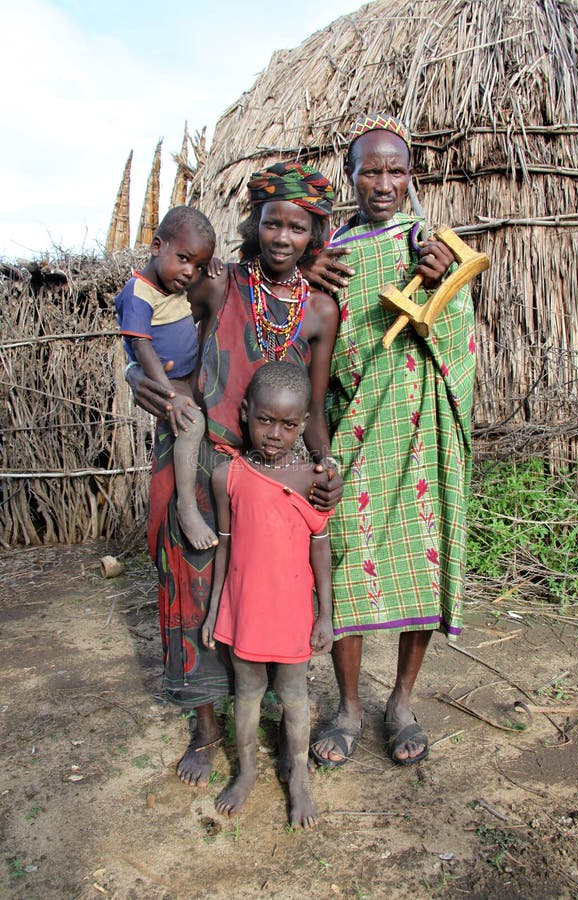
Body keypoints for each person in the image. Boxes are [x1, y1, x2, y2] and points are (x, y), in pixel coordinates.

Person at [127, 163, 342, 787]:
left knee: (269, 585)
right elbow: (154, 321)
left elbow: (319, 407)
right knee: (192, 588)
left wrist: (324, 468)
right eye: (271, 222)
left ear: (313, 235)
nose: (281, 237)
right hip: (202, 458)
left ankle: (276, 709)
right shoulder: (220, 286)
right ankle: (206, 728)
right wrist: (139, 380)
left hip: (277, 471)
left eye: (297, 228)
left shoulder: (321, 311)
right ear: (254, 225)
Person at [305, 113, 477, 768]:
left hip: (420, 428)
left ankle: (401, 701)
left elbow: (460, 342)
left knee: (421, 563)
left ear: (412, 176)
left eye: (394, 170)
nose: (382, 182)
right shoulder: (332, 256)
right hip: (353, 433)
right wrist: (307, 279)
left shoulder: (430, 248)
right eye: (369, 170)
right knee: (347, 566)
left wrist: (442, 287)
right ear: (350, 177)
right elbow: (308, 339)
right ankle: (349, 706)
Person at [202, 362, 333, 828]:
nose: (274, 433)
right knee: (248, 694)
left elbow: (321, 551)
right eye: (264, 420)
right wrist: (217, 607)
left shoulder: (312, 480)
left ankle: (298, 779)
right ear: (245, 412)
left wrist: (325, 615)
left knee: (295, 697)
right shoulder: (227, 476)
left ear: (302, 425)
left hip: (293, 610)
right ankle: (247, 774)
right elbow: (225, 544)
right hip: (245, 609)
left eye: (289, 424)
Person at [115, 206, 218, 550]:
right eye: (185, 259)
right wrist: (168, 396)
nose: (190, 272)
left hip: (190, 375)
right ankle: (187, 507)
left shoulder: (174, 285)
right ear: (157, 246)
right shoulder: (138, 292)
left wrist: (212, 267)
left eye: (199, 266)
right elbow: (141, 347)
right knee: (190, 424)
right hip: (166, 379)